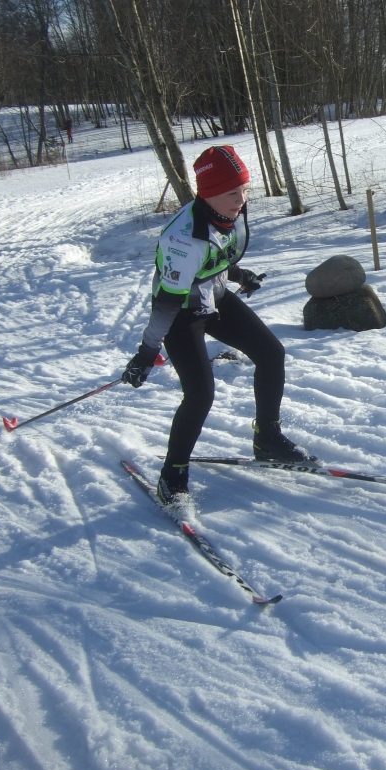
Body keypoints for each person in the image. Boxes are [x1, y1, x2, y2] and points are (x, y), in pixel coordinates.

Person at [122, 145, 308, 505]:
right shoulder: (182, 239)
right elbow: (166, 306)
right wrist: (146, 354)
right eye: (232, 193)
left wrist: (240, 274)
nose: (241, 200)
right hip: (181, 312)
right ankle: (172, 474)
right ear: (208, 195)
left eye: (244, 190)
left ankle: (267, 439)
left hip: (214, 293)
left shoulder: (226, 212)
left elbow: (219, 253)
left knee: (272, 353)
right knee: (200, 394)